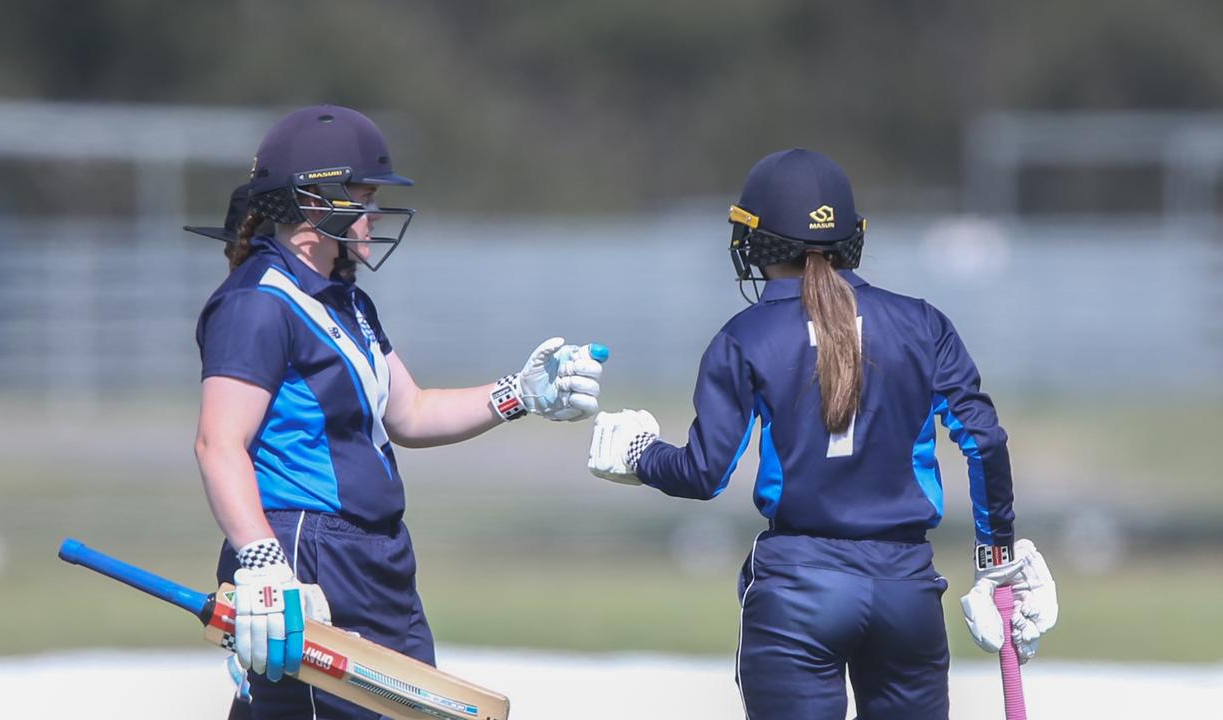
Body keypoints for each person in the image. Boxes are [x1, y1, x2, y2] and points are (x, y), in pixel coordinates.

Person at [587, 149, 1057, 719]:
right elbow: (984, 442)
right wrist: (996, 558)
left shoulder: (745, 337)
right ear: (851, 237)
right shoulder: (924, 323)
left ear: (757, 241)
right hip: (906, 587)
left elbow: (703, 474)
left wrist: (640, 455)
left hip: (798, 588)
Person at [194, 104, 606, 720]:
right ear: (316, 202)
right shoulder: (258, 304)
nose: (374, 213)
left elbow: (409, 412)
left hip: (375, 558)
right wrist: (259, 560)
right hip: (308, 554)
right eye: (362, 195)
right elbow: (218, 443)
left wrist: (518, 394)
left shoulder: (346, 300)